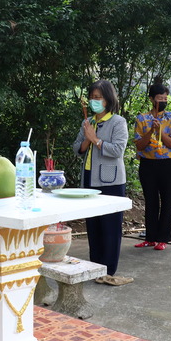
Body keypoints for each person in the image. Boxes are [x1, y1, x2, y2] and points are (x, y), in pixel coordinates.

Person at [73, 80, 132, 286]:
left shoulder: (118, 122)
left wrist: (96, 140)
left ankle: (108, 270)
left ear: (108, 99)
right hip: (89, 178)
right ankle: (95, 267)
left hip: (111, 181)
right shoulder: (88, 122)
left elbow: (117, 150)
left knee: (110, 226)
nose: (94, 101)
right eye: (92, 97)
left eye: (98, 97)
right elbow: (77, 149)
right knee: (93, 225)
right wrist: (87, 138)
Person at [134, 81, 171, 250]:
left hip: (167, 164)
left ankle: (163, 239)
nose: (163, 101)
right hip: (147, 164)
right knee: (150, 201)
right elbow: (139, 145)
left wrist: (160, 130)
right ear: (152, 99)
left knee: (167, 201)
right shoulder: (142, 118)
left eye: (165, 98)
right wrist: (151, 131)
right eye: (160, 98)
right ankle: (150, 237)